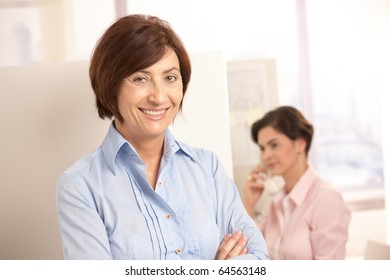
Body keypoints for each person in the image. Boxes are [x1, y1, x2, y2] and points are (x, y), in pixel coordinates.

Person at [56, 14, 268, 260]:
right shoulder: (80, 186)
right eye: (140, 79)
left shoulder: (206, 167)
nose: (158, 96)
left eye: (170, 78)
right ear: (110, 85)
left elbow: (257, 258)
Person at [243, 106, 351, 259]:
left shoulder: (326, 198)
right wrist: (249, 204)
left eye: (274, 145)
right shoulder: (277, 202)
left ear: (301, 144)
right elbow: (253, 254)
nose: (266, 155)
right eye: (262, 148)